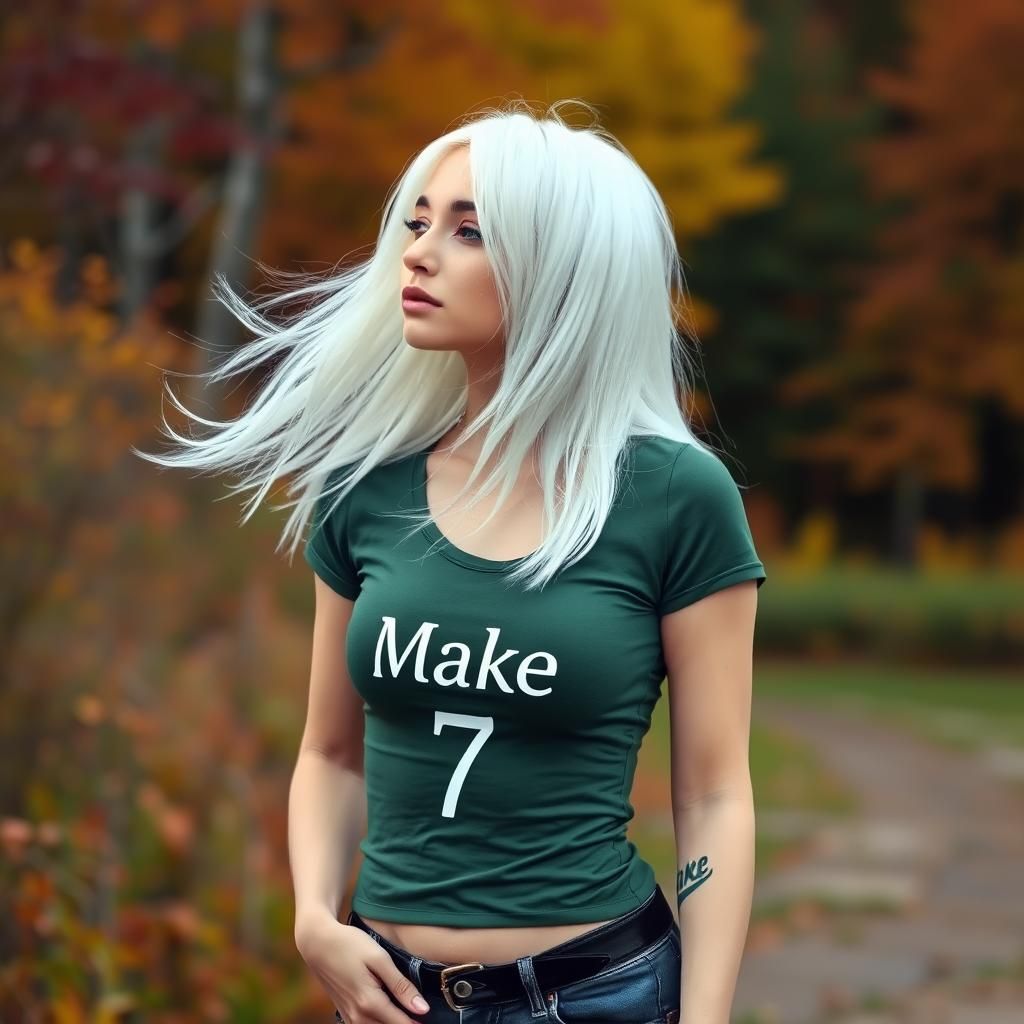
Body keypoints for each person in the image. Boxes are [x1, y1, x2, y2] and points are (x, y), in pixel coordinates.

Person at [135, 98, 766, 1024]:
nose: (419, 251)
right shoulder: (365, 488)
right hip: (388, 997)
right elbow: (330, 754)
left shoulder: (674, 495)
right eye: (420, 221)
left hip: (595, 993)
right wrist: (315, 921)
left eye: (469, 230)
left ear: (563, 268)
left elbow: (714, 795)